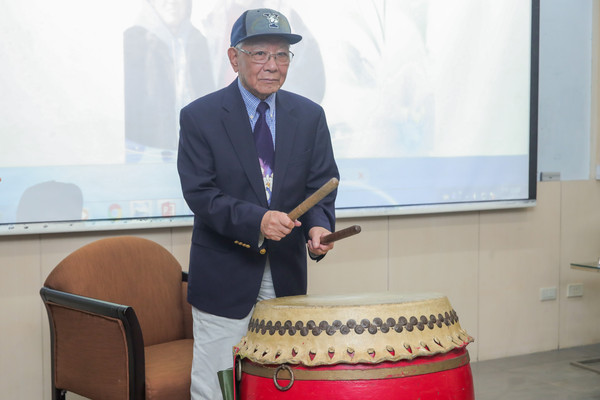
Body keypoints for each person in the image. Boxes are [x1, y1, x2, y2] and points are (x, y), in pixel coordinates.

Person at [177, 8, 339, 400]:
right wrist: (258, 220)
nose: (272, 65)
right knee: (216, 383)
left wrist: (319, 225)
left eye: (281, 55)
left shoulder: (309, 115)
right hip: (224, 273)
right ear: (234, 58)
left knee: (280, 380)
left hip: (285, 272)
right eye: (260, 54)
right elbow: (201, 194)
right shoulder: (200, 117)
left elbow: (320, 186)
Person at [124, 0, 215, 163]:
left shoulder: (198, 40)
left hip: (194, 148)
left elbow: (208, 96)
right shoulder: (135, 40)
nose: (171, 3)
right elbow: (130, 103)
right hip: (148, 151)